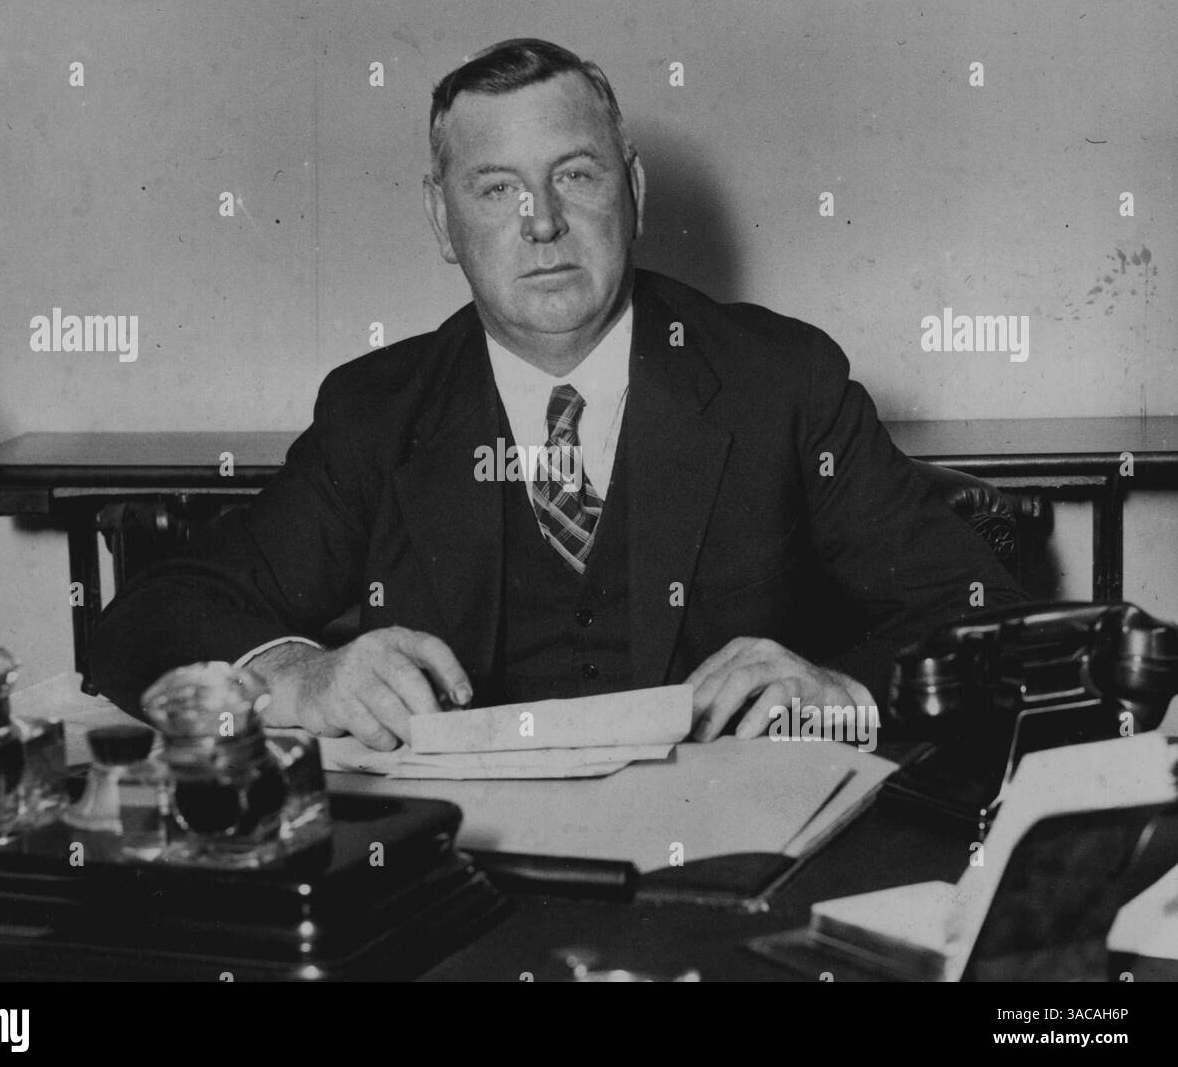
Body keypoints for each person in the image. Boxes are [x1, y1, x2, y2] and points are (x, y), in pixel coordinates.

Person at [89, 39, 1026, 751]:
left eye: (574, 176)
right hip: (463, 876)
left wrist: (841, 692)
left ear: (634, 192)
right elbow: (152, 614)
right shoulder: (379, 411)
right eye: (496, 189)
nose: (542, 222)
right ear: (443, 221)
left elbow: (984, 604)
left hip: (727, 867)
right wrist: (293, 679)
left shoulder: (778, 381)